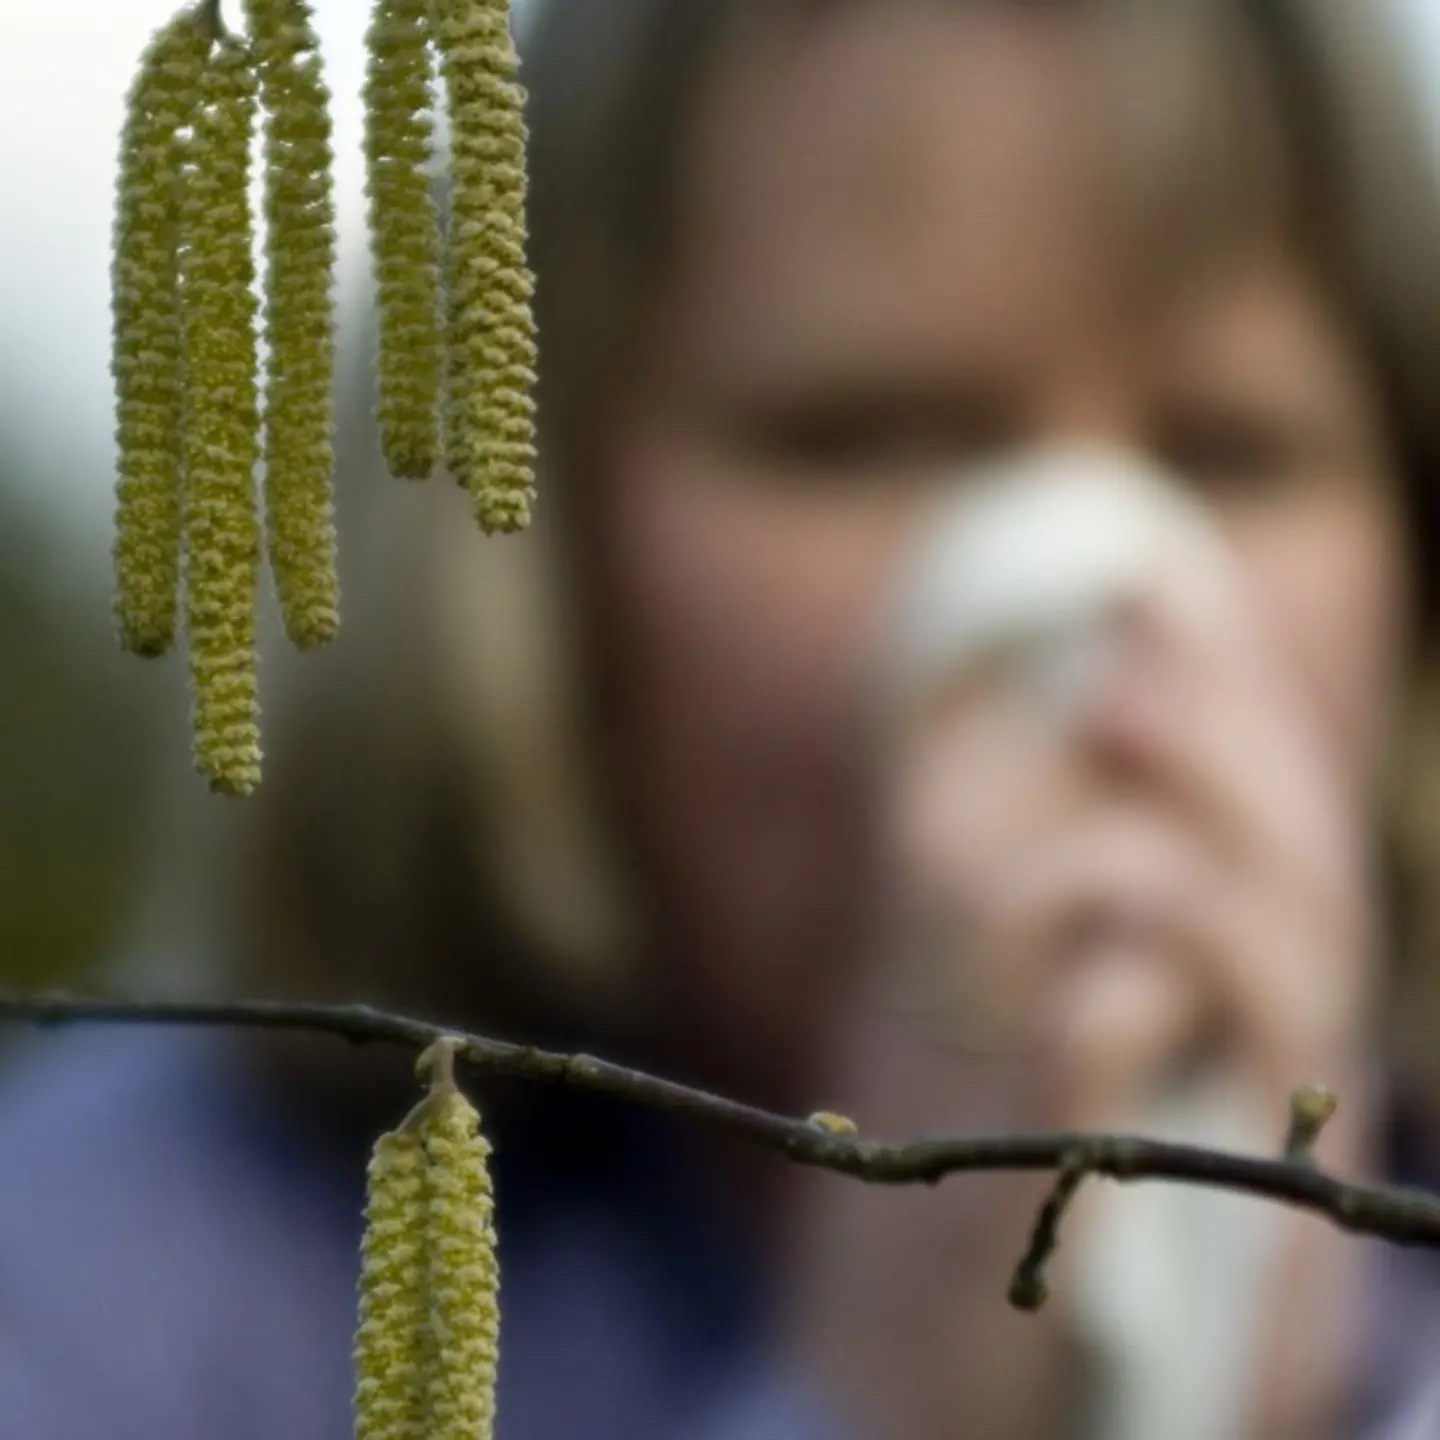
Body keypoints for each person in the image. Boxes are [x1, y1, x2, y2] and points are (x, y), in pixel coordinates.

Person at [2, 0, 1440, 1436]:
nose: (1092, 601)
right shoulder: (116, 1276)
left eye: (1232, 451)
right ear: (536, 537)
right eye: (865, 435)